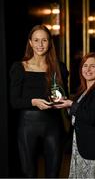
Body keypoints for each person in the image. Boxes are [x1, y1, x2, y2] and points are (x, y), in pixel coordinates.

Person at [9, 24, 66, 178]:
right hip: (27, 127)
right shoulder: (20, 67)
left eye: (44, 40)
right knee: (29, 174)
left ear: (50, 42)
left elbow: (62, 96)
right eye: (36, 40)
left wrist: (61, 100)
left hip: (53, 126)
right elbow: (14, 101)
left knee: (53, 175)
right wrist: (34, 102)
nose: (40, 45)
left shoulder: (59, 67)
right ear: (30, 42)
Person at [53, 52, 95, 178]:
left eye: (93, 66)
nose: (88, 69)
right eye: (85, 65)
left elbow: (91, 116)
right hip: (80, 147)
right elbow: (79, 114)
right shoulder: (83, 91)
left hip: (94, 149)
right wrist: (65, 104)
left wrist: (71, 104)